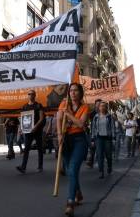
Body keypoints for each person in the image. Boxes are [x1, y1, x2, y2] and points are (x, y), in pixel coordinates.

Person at [57, 83, 89, 216]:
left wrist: (69, 114)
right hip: (66, 140)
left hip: (79, 140)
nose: (73, 93)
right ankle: (78, 194)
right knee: (71, 171)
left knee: (73, 169)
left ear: (80, 93)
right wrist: (59, 135)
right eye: (71, 90)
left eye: (76, 91)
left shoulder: (85, 107)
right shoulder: (64, 103)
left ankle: (70, 202)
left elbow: (81, 124)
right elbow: (58, 119)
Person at [16, 90, 45, 173]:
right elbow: (22, 118)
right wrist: (21, 128)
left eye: (32, 94)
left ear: (35, 95)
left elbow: (41, 118)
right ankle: (23, 167)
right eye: (29, 94)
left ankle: (40, 166)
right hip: (28, 131)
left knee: (40, 148)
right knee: (26, 149)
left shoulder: (39, 105)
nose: (30, 95)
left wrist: (35, 126)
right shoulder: (24, 107)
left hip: (37, 130)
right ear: (27, 95)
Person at [91, 102, 115, 179]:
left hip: (107, 138)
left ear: (106, 107)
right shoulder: (96, 117)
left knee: (108, 155)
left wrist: (113, 137)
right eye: (101, 106)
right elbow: (93, 128)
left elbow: (112, 127)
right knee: (99, 155)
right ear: (99, 108)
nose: (102, 107)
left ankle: (109, 166)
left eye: (104, 106)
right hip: (99, 138)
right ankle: (101, 171)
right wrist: (92, 138)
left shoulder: (109, 117)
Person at [86, 99, 102, 168]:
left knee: (100, 149)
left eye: (100, 104)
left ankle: (99, 162)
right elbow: (87, 122)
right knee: (92, 147)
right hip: (93, 133)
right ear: (95, 105)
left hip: (102, 133)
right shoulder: (91, 113)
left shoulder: (104, 113)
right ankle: (91, 162)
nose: (98, 106)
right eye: (97, 104)